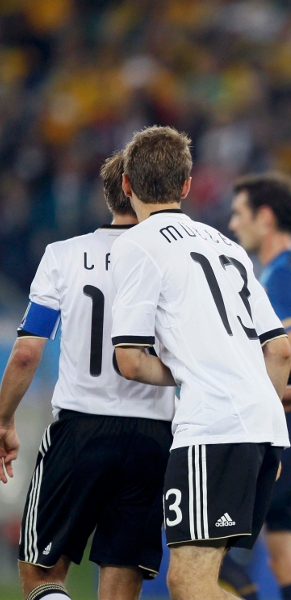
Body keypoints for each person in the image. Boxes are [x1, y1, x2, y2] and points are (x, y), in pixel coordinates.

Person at [111, 126, 291, 600]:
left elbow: (129, 361)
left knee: (188, 582)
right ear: (187, 186)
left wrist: (184, 369)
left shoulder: (135, 244)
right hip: (262, 425)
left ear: (126, 185)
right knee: (209, 578)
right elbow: (280, 350)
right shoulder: (226, 245)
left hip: (212, 425)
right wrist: (266, 427)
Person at [0, 152, 175, 600]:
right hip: (154, 436)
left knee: (40, 575)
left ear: (110, 193)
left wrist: (3, 421)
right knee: (120, 587)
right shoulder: (175, 262)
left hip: (81, 429)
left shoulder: (64, 255)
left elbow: (26, 352)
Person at [227, 172, 291, 600]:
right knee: (289, 564)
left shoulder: (281, 275)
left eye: (239, 214)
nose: (233, 225)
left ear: (265, 217)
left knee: (218, 548)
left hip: (288, 420)